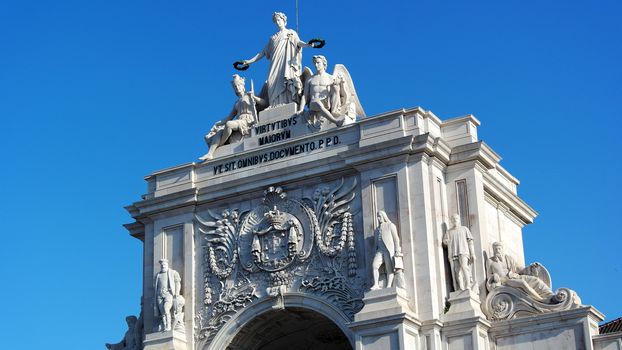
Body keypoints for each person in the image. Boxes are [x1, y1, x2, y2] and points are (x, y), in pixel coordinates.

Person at [241, 12, 311, 107]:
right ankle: (273, 104)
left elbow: (298, 42)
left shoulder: (291, 33)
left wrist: (307, 44)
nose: (278, 22)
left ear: (284, 21)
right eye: (276, 21)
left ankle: (288, 102)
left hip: (287, 63)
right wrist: (249, 61)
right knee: (272, 82)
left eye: (279, 20)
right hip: (275, 64)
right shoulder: (273, 38)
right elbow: (262, 53)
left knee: (287, 80)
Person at [200, 75, 265, 161]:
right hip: (239, 121)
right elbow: (229, 117)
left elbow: (264, 103)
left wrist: (254, 97)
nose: (237, 88)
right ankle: (210, 153)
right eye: (235, 86)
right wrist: (218, 123)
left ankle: (220, 144)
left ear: (243, 86)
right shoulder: (237, 103)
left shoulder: (249, 96)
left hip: (247, 121)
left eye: (239, 85)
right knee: (219, 132)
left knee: (229, 124)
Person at [486, 242, 558, 303]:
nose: (497, 251)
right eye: (495, 249)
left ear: (502, 250)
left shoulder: (508, 259)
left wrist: (531, 267)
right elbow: (488, 275)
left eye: (499, 249)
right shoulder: (490, 261)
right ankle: (540, 300)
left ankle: (551, 296)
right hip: (505, 281)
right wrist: (493, 276)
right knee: (522, 283)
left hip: (515, 276)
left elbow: (519, 269)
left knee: (535, 280)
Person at [297, 55, 346, 127]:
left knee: (336, 87)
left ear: (324, 63)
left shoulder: (330, 77)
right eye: (315, 63)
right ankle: (335, 121)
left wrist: (339, 82)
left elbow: (337, 92)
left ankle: (334, 110)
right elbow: (305, 95)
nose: (316, 65)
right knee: (317, 102)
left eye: (318, 63)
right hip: (313, 104)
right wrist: (301, 109)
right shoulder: (310, 79)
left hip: (326, 103)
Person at [371, 211, 403, 290]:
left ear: (384, 216)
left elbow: (396, 239)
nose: (378, 218)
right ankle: (376, 284)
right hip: (380, 250)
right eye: (378, 217)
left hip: (388, 250)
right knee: (374, 265)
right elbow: (376, 242)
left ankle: (389, 285)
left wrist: (397, 250)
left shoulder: (390, 226)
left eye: (380, 216)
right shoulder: (377, 230)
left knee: (389, 269)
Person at [442, 214, 476, 291]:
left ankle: (468, 285)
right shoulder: (449, 232)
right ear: (451, 221)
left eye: (456, 218)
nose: (455, 220)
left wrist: (473, 253)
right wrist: (446, 242)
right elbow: (445, 241)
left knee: (464, 267)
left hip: (463, 251)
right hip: (453, 252)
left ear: (459, 219)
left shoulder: (464, 229)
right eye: (453, 218)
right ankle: (460, 288)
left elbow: (470, 242)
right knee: (456, 271)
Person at [154, 259, 182, 332]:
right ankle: (164, 325)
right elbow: (155, 286)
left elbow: (177, 283)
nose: (163, 266)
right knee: (162, 312)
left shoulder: (173, 273)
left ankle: (169, 325)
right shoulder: (157, 275)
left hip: (168, 294)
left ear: (167, 265)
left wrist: (176, 293)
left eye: (164, 264)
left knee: (166, 309)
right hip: (159, 295)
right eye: (162, 265)